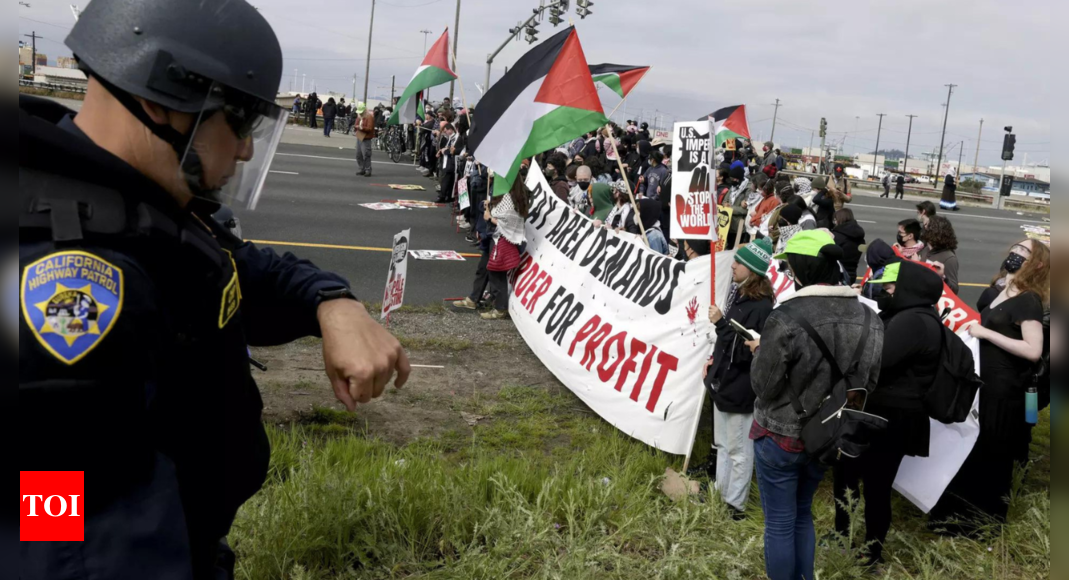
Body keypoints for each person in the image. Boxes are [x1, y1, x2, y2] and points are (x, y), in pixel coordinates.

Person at [18, 0, 410, 577]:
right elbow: (58, 530)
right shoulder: (63, 276)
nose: (248, 148)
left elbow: (232, 272)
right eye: (241, 120)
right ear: (161, 101)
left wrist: (333, 303)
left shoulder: (137, 203)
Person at [749, 230, 884, 580]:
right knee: (802, 514)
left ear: (800, 271)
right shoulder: (871, 318)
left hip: (779, 434)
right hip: (828, 437)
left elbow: (763, 386)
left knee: (780, 522)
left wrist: (761, 352)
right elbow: (867, 385)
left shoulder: (786, 317)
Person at [932, 240, 1049, 531]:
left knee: (992, 451)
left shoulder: (1029, 300)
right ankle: (958, 510)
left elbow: (1033, 350)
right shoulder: (1003, 291)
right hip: (985, 381)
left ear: (1037, 265)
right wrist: (941, 278)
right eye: (1015, 248)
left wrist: (985, 332)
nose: (1015, 253)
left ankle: (982, 519)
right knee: (974, 448)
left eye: (1023, 252)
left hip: (1004, 387)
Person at [834, 259, 944, 566]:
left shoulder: (914, 322)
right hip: (878, 414)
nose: (886, 290)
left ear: (911, 289)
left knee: (875, 487)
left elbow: (873, 360)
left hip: (890, 419)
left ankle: (871, 550)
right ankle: (844, 535)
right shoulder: (906, 315)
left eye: (893, 286)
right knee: (847, 476)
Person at [706, 239, 775, 518]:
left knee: (739, 451)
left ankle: (735, 505)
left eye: (739, 263)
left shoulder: (761, 308)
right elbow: (727, 344)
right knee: (723, 445)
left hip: (741, 389)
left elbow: (749, 351)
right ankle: (719, 496)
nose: (732, 265)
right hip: (724, 383)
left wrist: (721, 324)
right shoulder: (739, 294)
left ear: (753, 271)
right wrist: (712, 363)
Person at [482, 179, 530, 320]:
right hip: (506, 238)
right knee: (496, 272)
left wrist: (489, 217)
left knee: (496, 272)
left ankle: (500, 308)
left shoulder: (508, 199)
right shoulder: (517, 196)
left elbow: (505, 221)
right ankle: (499, 306)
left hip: (503, 239)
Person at [919, 215, 960, 294]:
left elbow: (954, 290)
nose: (924, 227)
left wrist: (942, 277)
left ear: (935, 232)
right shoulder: (926, 249)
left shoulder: (949, 258)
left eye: (927, 225)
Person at [832, 208, 866, 285]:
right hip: (852, 272)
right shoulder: (859, 236)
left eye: (835, 219)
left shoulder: (837, 236)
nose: (834, 222)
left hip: (839, 273)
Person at [435, 123, 459, 203]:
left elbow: (453, 149)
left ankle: (443, 196)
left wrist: (445, 150)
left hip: (451, 161)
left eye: (446, 131)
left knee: (446, 179)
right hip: (447, 160)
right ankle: (447, 196)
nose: (446, 133)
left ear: (451, 129)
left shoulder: (455, 137)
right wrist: (442, 150)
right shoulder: (450, 137)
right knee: (448, 179)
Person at [354, 102, 376, 177]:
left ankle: (367, 169)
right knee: (358, 154)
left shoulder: (369, 117)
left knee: (366, 154)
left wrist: (361, 128)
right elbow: (356, 124)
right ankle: (362, 168)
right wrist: (357, 127)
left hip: (366, 137)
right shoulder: (359, 116)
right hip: (360, 135)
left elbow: (370, 128)